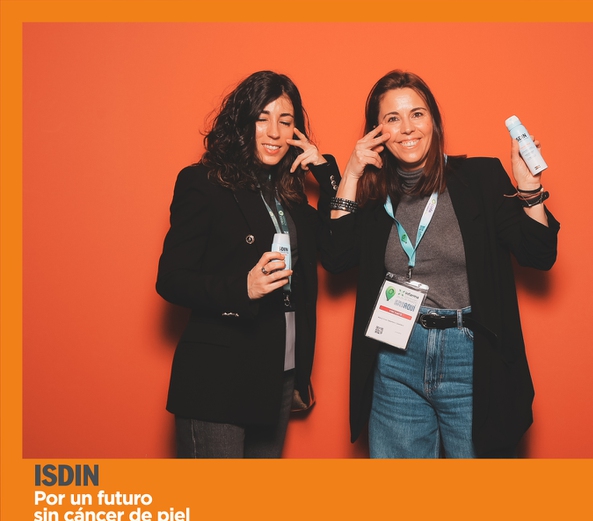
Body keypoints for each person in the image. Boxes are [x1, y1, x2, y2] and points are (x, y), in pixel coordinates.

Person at [318, 70, 560, 458]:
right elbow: (336, 257)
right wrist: (351, 174)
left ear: (434, 120)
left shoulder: (480, 178)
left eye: (417, 114)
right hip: (396, 354)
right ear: (377, 132)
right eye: (392, 118)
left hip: (470, 356)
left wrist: (529, 190)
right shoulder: (374, 195)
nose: (407, 128)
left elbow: (539, 255)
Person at [156, 71, 338, 457]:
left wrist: (326, 174)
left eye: (285, 121)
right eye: (262, 118)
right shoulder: (203, 183)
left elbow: (337, 249)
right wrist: (244, 288)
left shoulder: (290, 197)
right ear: (242, 123)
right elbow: (171, 279)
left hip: (277, 376)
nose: (274, 132)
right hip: (218, 377)